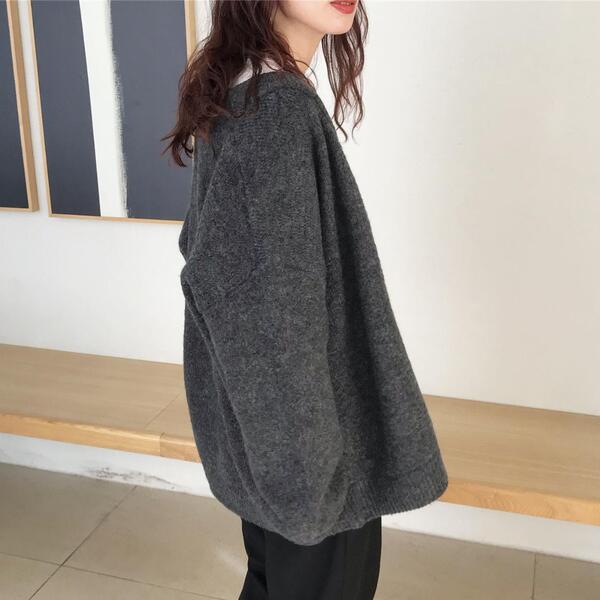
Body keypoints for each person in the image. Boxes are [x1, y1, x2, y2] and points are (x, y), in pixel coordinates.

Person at [163, 1, 449, 598]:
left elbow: (237, 287)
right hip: (312, 452)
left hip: (281, 442)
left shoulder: (245, 91)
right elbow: (273, 317)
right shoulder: (276, 114)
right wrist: (311, 475)